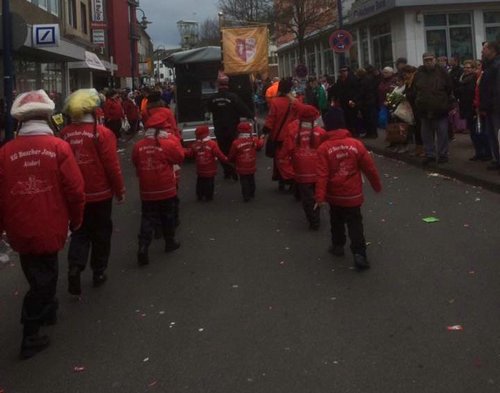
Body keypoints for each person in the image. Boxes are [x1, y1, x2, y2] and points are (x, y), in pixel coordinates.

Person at [0, 90, 85, 358]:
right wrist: (76, 218)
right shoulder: (59, 148)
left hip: (19, 228)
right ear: (47, 115)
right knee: (45, 277)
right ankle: (31, 332)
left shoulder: (6, 152)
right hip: (51, 223)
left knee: (35, 271)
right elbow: (75, 190)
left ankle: (48, 311)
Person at [61, 89, 126, 296]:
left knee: (79, 232)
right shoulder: (101, 133)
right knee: (101, 233)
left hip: (74, 195)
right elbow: (112, 166)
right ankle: (98, 272)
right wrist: (119, 190)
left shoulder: (64, 134)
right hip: (100, 193)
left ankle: (75, 266)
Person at [315, 113, 382, 270]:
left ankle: (338, 245)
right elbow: (369, 168)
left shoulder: (324, 148)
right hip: (353, 194)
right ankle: (359, 254)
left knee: (336, 220)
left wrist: (319, 197)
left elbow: (322, 174)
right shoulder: (356, 144)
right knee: (355, 223)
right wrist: (376, 185)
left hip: (335, 194)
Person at [132, 111, 185, 266]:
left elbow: (136, 162)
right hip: (166, 186)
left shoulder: (138, 146)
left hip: (147, 188)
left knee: (147, 217)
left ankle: (143, 246)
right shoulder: (167, 143)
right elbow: (179, 157)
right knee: (167, 215)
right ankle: (170, 242)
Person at [280, 104, 326, 229]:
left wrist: (288, 170)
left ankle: (313, 219)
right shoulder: (321, 132)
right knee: (317, 193)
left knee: (307, 198)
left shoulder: (294, 132)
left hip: (301, 171)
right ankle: (316, 215)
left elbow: (285, 152)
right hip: (318, 170)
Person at [207, 75, 254, 180]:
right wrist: (251, 116)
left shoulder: (212, 98)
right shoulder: (233, 97)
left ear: (218, 85)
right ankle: (233, 168)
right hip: (232, 128)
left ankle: (227, 170)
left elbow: (208, 110)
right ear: (228, 84)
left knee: (222, 151)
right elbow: (243, 109)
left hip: (219, 129)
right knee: (233, 150)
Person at [413, 52, 454, 165]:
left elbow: (449, 88)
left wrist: (445, 102)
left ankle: (443, 154)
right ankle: (430, 154)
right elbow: (415, 89)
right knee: (426, 134)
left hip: (440, 108)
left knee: (442, 133)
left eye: (431, 59)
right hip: (424, 109)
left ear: (435, 60)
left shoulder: (442, 72)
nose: (428, 62)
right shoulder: (419, 73)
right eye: (426, 60)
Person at [262, 78, 300, 191]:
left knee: (279, 159)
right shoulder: (295, 102)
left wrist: (265, 131)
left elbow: (271, 119)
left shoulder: (275, 102)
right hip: (293, 135)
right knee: (292, 158)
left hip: (279, 136)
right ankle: (293, 177)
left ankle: (282, 180)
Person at [185, 125, 228, 201]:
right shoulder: (212, 144)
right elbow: (218, 154)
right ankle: (209, 196)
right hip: (210, 168)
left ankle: (200, 195)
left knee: (200, 182)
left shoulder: (195, 144)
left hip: (200, 168)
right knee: (209, 182)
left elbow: (190, 154)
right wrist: (226, 159)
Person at [228, 122, 264, 202]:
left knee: (244, 180)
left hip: (241, 165)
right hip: (251, 163)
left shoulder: (236, 142)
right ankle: (252, 192)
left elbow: (232, 154)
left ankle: (246, 195)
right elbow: (260, 145)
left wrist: (229, 160)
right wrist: (262, 139)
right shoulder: (253, 139)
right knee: (251, 178)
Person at [479, 41, 500, 170]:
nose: (482, 51)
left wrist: (492, 105)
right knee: (492, 135)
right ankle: (497, 160)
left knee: (497, 135)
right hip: (491, 107)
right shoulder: (490, 65)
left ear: (492, 50)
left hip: (496, 107)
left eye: (484, 49)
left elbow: (496, 89)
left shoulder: (496, 66)